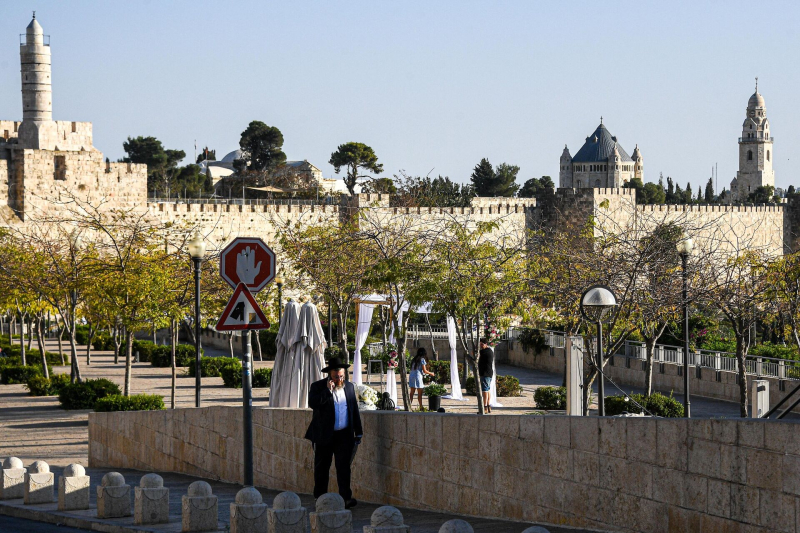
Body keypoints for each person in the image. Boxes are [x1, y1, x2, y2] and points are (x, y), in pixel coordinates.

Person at [305, 357, 363, 509]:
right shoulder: (318, 387)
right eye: (336, 376)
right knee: (322, 468)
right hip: (324, 435)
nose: (339, 379)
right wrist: (327, 391)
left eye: (341, 376)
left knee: (343, 467)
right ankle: (320, 498)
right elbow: (313, 404)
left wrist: (359, 431)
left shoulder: (349, 387)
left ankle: (345, 498)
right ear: (330, 375)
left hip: (344, 435)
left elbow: (353, 410)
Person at [478, 338, 494, 413]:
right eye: (480, 344)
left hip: (485, 373)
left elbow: (475, 355)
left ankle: (484, 407)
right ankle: (488, 406)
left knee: (485, 390)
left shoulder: (485, 352)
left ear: (486, 344)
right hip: (488, 373)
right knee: (487, 389)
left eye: (482, 344)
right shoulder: (489, 351)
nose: (481, 346)